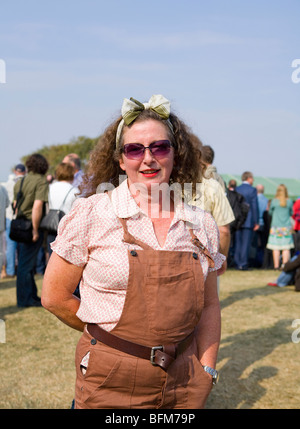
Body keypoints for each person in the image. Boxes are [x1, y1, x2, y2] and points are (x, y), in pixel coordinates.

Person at [42, 94, 224, 409]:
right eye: (135, 149)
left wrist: (206, 368)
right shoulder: (93, 212)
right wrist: (110, 342)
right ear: (121, 159)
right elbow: (54, 296)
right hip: (109, 380)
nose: (148, 158)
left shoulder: (201, 224)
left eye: (160, 147)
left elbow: (209, 306)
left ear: (176, 154)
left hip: (182, 382)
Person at [189, 135, 235, 277]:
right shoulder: (214, 184)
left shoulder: (160, 186)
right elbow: (224, 230)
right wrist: (222, 257)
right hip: (205, 256)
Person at [13, 154, 49, 307]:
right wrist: (35, 230)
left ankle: (31, 296)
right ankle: (25, 300)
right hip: (31, 225)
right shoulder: (40, 181)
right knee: (26, 266)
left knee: (24, 262)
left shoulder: (21, 181)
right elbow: (37, 206)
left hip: (20, 224)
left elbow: (15, 204)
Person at [46, 162, 79, 256]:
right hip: (67, 228)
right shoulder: (74, 191)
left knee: (51, 254)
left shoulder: (50, 188)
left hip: (51, 225)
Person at [2, 164, 26, 278]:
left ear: (15, 171)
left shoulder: (8, 184)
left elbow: (7, 203)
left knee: (10, 246)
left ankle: (10, 270)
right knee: (22, 245)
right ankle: (21, 269)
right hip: (22, 217)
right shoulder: (25, 182)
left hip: (10, 217)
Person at [234, 171, 259, 270]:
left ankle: (237, 262)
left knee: (238, 243)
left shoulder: (237, 189)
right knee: (246, 243)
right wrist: (256, 221)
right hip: (248, 220)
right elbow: (254, 206)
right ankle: (243, 264)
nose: (253, 180)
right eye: (252, 178)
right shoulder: (252, 190)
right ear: (249, 178)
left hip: (238, 219)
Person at [266, 184, 294, 269]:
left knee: (276, 247)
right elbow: (291, 213)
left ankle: (276, 266)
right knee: (286, 248)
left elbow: (270, 212)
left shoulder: (274, 201)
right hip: (286, 227)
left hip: (275, 227)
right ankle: (285, 265)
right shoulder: (289, 202)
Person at [255, 184, 269, 267]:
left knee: (255, 245)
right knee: (263, 245)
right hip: (263, 224)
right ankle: (262, 262)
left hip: (255, 225)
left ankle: (256, 262)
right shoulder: (266, 200)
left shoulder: (255, 199)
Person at [0, 184, 9, 277]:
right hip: (1, 224)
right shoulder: (2, 188)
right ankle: (2, 272)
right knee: (1, 250)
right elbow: (7, 203)